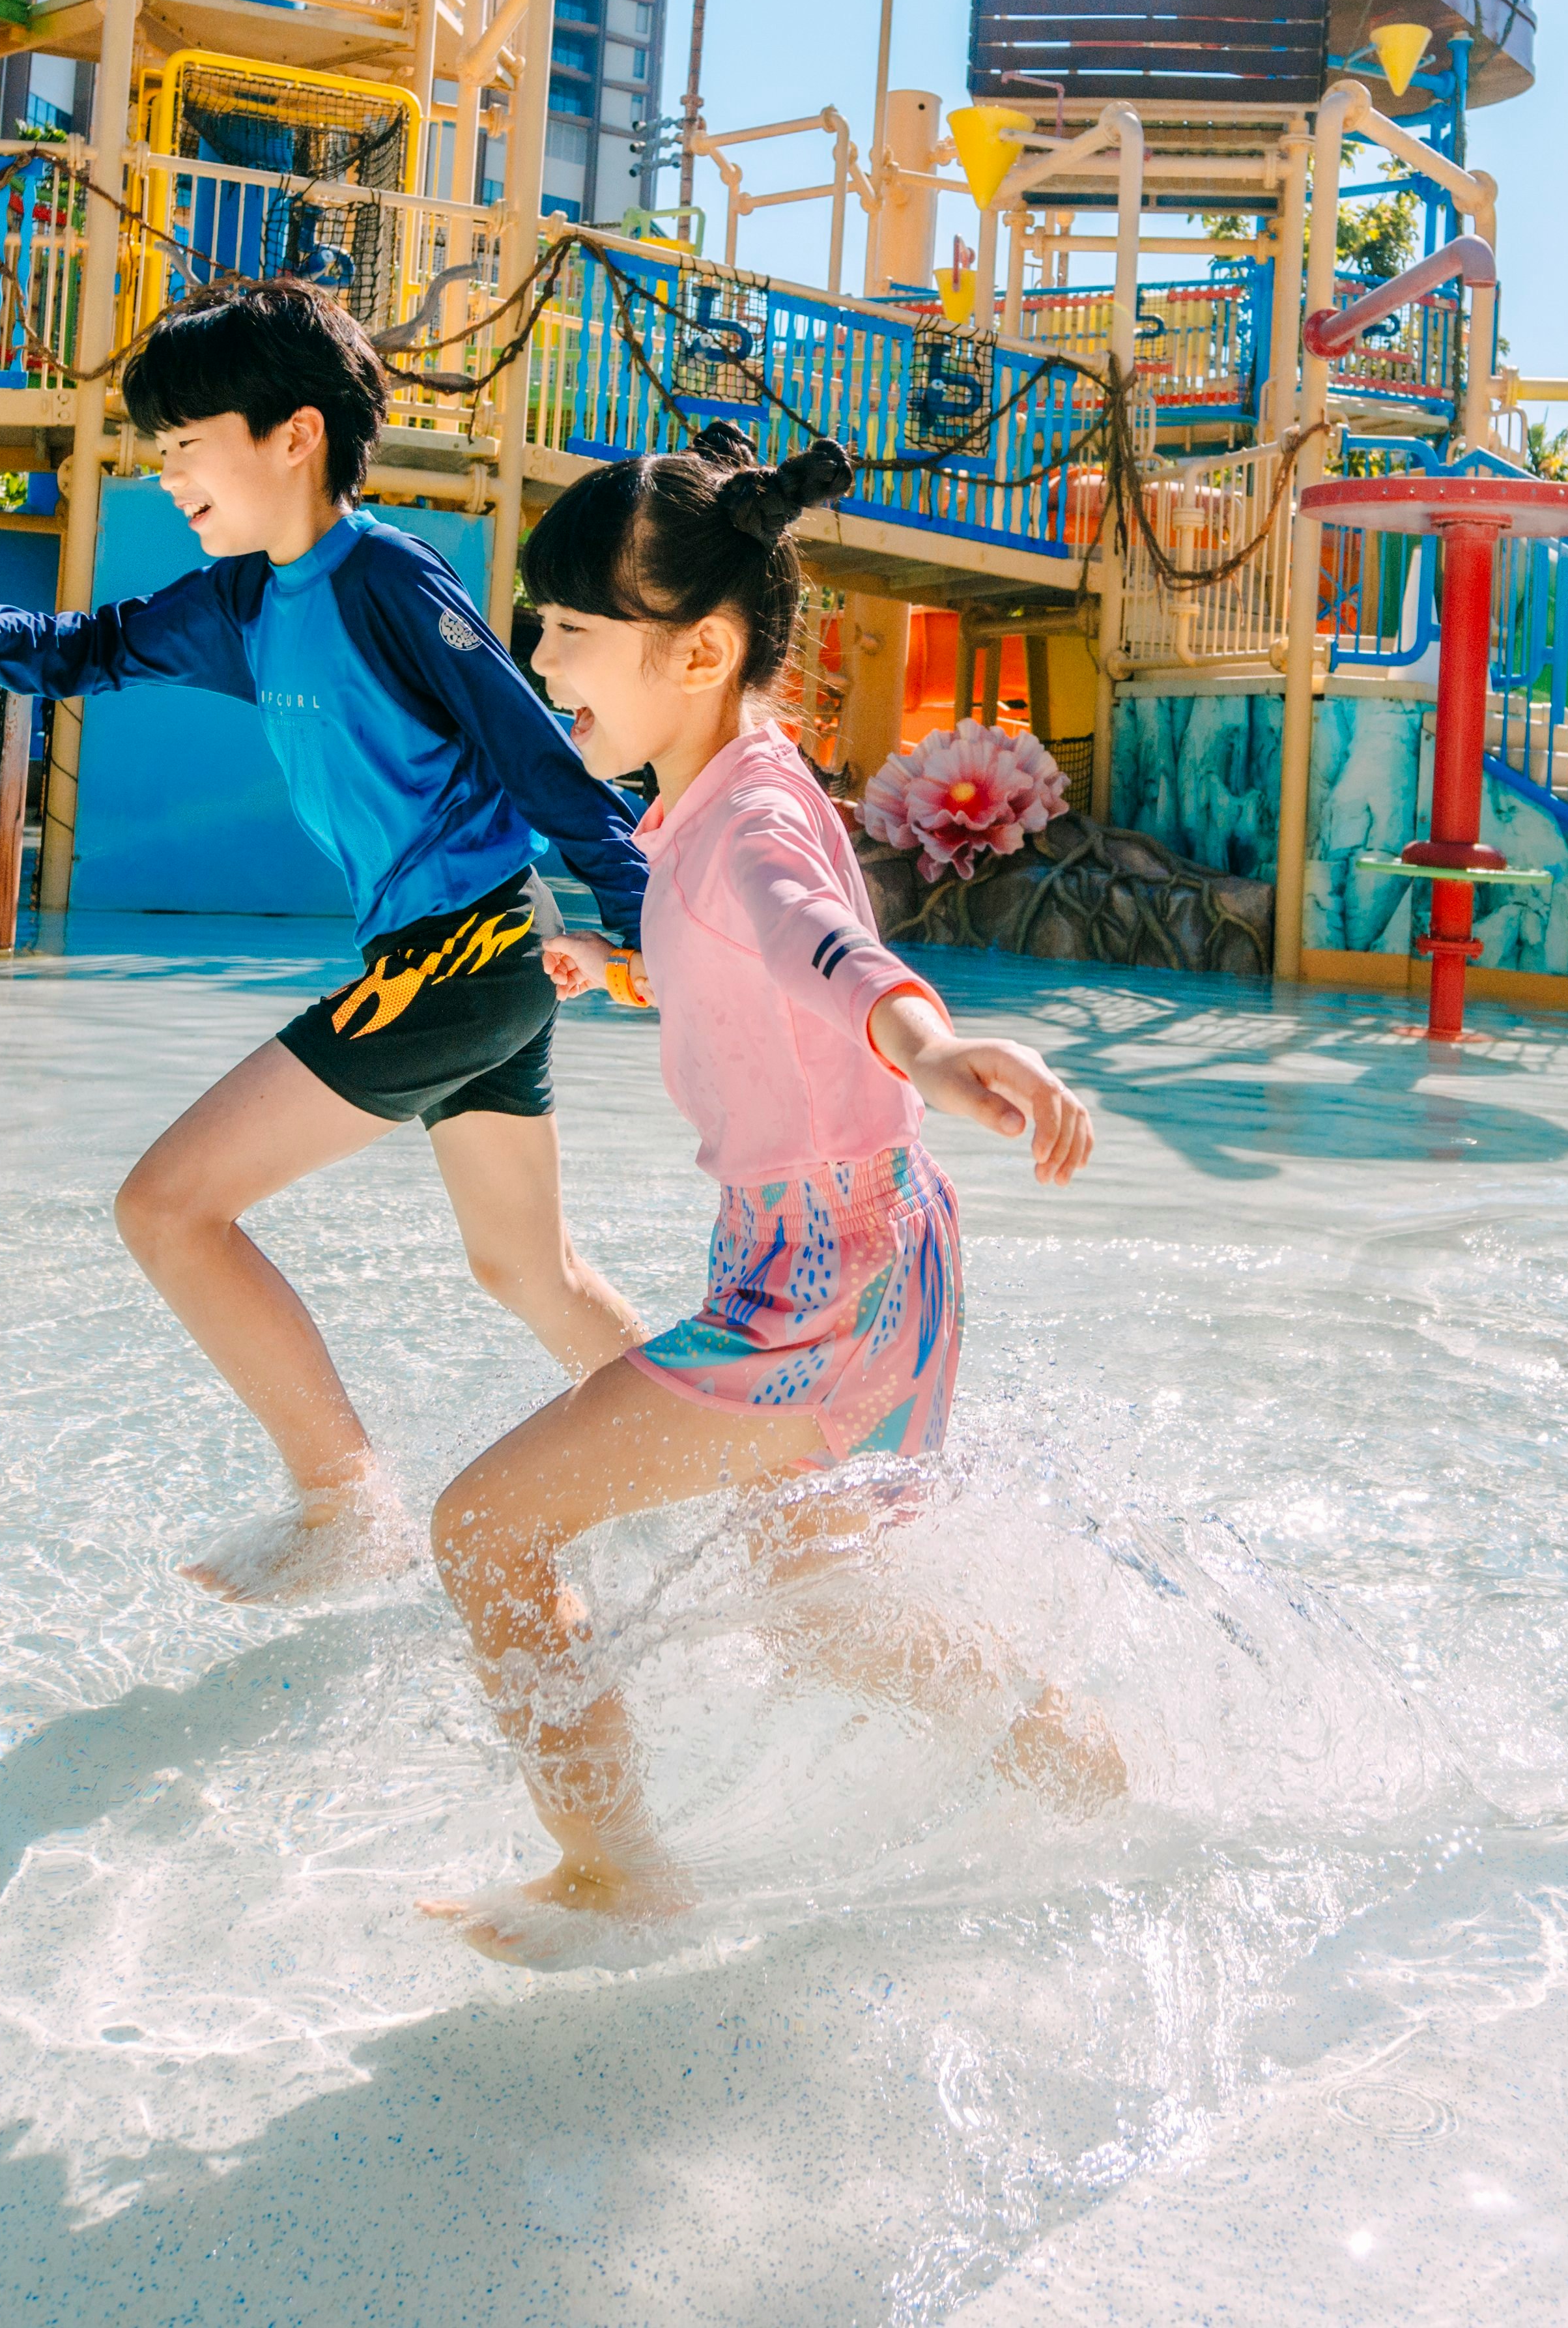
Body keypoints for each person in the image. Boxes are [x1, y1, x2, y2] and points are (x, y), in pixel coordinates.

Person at [0, 277, 657, 1603]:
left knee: (167, 1207)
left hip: (469, 952)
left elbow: (528, 747)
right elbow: (94, 646)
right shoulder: (242, 602)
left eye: (183, 442)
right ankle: (725, 1465)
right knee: (524, 1264)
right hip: (462, 957)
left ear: (295, 436)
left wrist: (643, 907)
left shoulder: (384, 576)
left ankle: (346, 1503)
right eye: (155, 451)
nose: (166, 473)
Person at [422, 425, 1114, 1961]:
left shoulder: (733, 819)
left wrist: (926, 1042)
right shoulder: (727, 787)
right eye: (543, 625)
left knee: (484, 1528)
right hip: (867, 1245)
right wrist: (625, 965)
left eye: (573, 630)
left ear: (704, 648)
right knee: (821, 1615)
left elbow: (817, 943)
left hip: (822, 1275)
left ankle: (621, 1879)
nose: (542, 659)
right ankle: (1087, 1776)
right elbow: (752, 951)